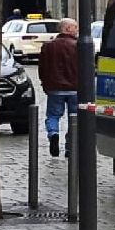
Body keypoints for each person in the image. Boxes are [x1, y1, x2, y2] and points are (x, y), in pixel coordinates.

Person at [40, 18, 79, 157]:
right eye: (75, 27)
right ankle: (70, 148)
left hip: (55, 88)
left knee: (53, 115)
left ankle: (53, 134)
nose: (77, 30)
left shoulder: (48, 46)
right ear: (67, 28)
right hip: (76, 88)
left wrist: (45, 83)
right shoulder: (78, 45)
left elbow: (42, 68)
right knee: (74, 118)